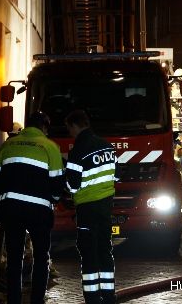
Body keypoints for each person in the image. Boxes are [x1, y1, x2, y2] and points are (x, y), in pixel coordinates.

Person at [0, 111, 64, 304]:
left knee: (14, 258)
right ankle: (36, 300)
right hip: (38, 211)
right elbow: (56, 183)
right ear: (44, 127)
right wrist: (54, 199)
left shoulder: (8, 145)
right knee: (41, 257)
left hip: (11, 209)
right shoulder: (50, 147)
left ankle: (14, 300)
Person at [65, 109, 116, 304]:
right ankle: (109, 295)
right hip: (105, 206)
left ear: (75, 126)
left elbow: (73, 185)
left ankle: (93, 297)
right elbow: (116, 175)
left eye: (69, 128)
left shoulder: (78, 150)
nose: (69, 132)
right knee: (105, 249)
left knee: (88, 251)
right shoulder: (107, 147)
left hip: (86, 208)